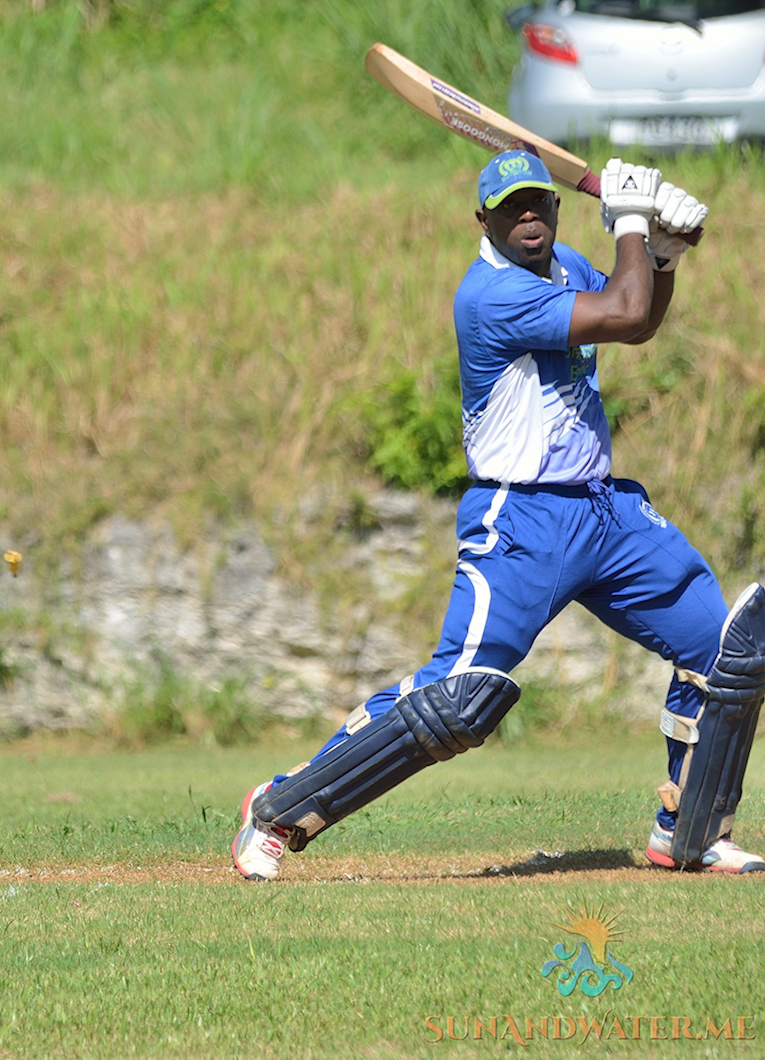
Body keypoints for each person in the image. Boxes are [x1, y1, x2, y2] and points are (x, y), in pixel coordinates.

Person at [234, 151, 765, 880]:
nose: (528, 218)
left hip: (606, 512)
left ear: (556, 208)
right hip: (522, 520)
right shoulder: (490, 295)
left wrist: (663, 253)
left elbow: (637, 318)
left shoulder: (565, 265)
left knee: (724, 652)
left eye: (538, 203)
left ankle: (693, 830)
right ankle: (279, 809)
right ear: (483, 221)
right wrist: (633, 223)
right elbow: (623, 310)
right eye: (511, 208)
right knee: (461, 698)